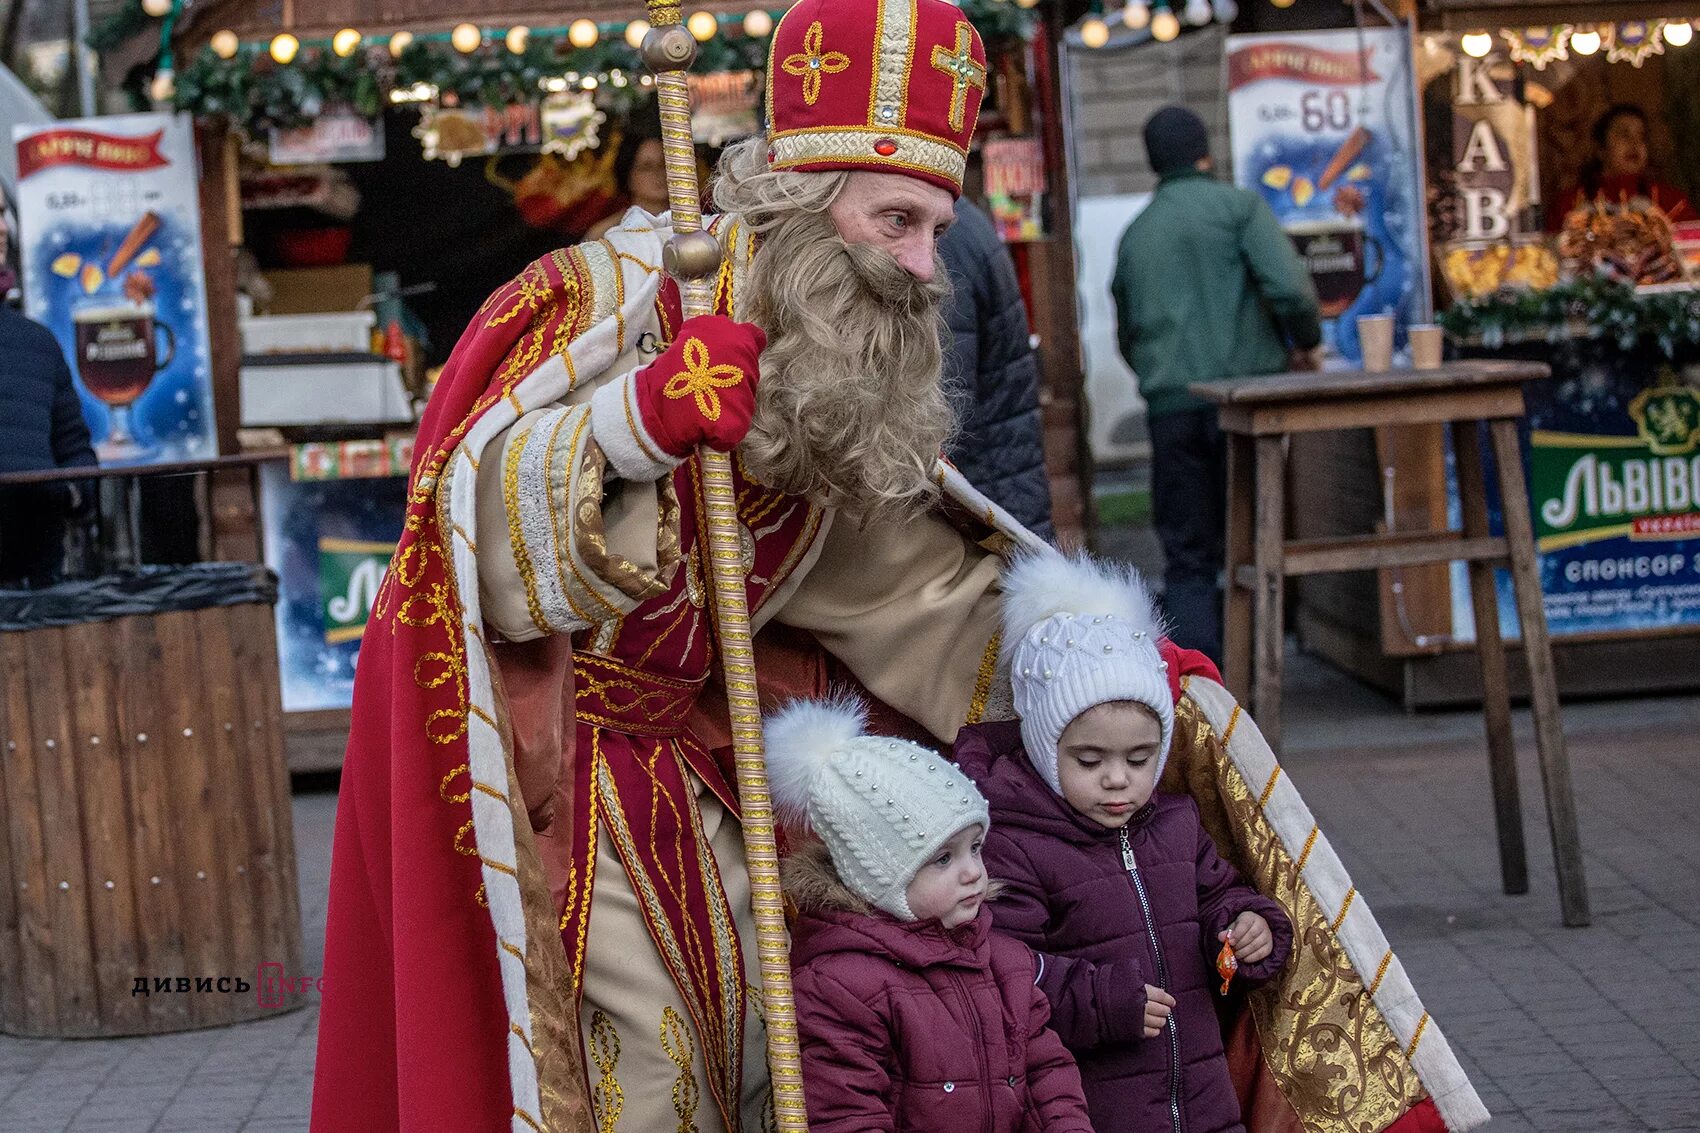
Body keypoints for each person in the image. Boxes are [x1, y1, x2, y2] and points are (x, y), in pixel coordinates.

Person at [313, 3, 1042, 1130]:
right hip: (560, 778)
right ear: (804, 205)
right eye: (896, 219)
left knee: (762, 1043)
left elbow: (898, 587)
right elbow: (466, 537)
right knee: (640, 1084)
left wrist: (1069, 663)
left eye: (933, 231)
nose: (920, 265)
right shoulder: (606, 303)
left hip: (708, 773)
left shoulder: (827, 360)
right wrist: (631, 425)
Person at [955, 549, 1294, 1133]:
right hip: (1097, 1107)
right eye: (1089, 760)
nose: (1118, 779)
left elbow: (1220, 898)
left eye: (1140, 759)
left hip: (1204, 1100)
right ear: (1043, 748)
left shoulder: (1177, 826)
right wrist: (1103, 1003)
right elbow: (1004, 969)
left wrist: (1250, 926)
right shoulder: (1016, 846)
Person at [766, 696, 1094, 1133]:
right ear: (880, 877)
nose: (973, 872)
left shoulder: (1003, 962)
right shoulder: (841, 986)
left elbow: (1047, 1073)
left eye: (975, 848)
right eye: (943, 859)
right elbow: (846, 1115)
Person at [1110, 105, 1320, 664]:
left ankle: (1203, 686)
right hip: (1246, 403)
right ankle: (1264, 667)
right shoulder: (1239, 208)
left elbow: (1127, 331)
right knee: (1253, 541)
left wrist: (1162, 378)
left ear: (1154, 161)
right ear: (1206, 152)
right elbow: (1292, 290)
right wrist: (1303, 341)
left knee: (1187, 554)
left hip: (1172, 409)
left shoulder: (1137, 234)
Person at [940, 196, 1054, 539]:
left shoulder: (944, 239)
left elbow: (941, 410)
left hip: (982, 501)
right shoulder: (957, 224)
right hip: (998, 488)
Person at [0, 213, 97, 586]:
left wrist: (71, 493)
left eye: (2, 214)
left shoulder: (37, 343)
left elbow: (75, 450)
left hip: (37, 591)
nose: (3, 227)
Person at [1548, 103, 1692, 231]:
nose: (1634, 143)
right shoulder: (1569, 204)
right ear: (1601, 149)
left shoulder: (1672, 202)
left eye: (1641, 136)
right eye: (1624, 135)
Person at [585, 118, 671, 239]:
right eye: (646, 167)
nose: (659, 173)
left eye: (664, 164)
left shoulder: (698, 226)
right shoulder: (606, 234)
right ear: (628, 175)